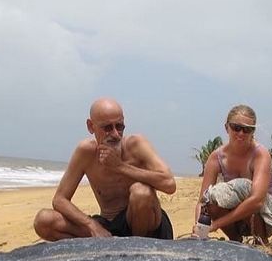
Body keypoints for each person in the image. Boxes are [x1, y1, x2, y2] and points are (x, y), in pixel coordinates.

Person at [34, 97, 176, 241]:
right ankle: (111, 243)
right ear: (91, 126)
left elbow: (169, 184)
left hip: (146, 227)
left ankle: (136, 248)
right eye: (107, 128)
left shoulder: (136, 144)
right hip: (109, 227)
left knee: (141, 192)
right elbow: (60, 199)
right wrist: (91, 225)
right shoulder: (86, 152)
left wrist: (120, 166)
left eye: (119, 126)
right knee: (44, 221)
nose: (115, 134)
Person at [194, 104, 272, 244]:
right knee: (210, 199)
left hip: (271, 214)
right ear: (227, 128)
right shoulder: (216, 157)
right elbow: (203, 200)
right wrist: (199, 227)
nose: (241, 133)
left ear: (252, 132)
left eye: (247, 129)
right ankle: (235, 240)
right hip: (240, 216)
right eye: (236, 128)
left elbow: (257, 200)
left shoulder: (260, 153)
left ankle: (261, 242)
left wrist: (215, 225)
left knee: (244, 187)